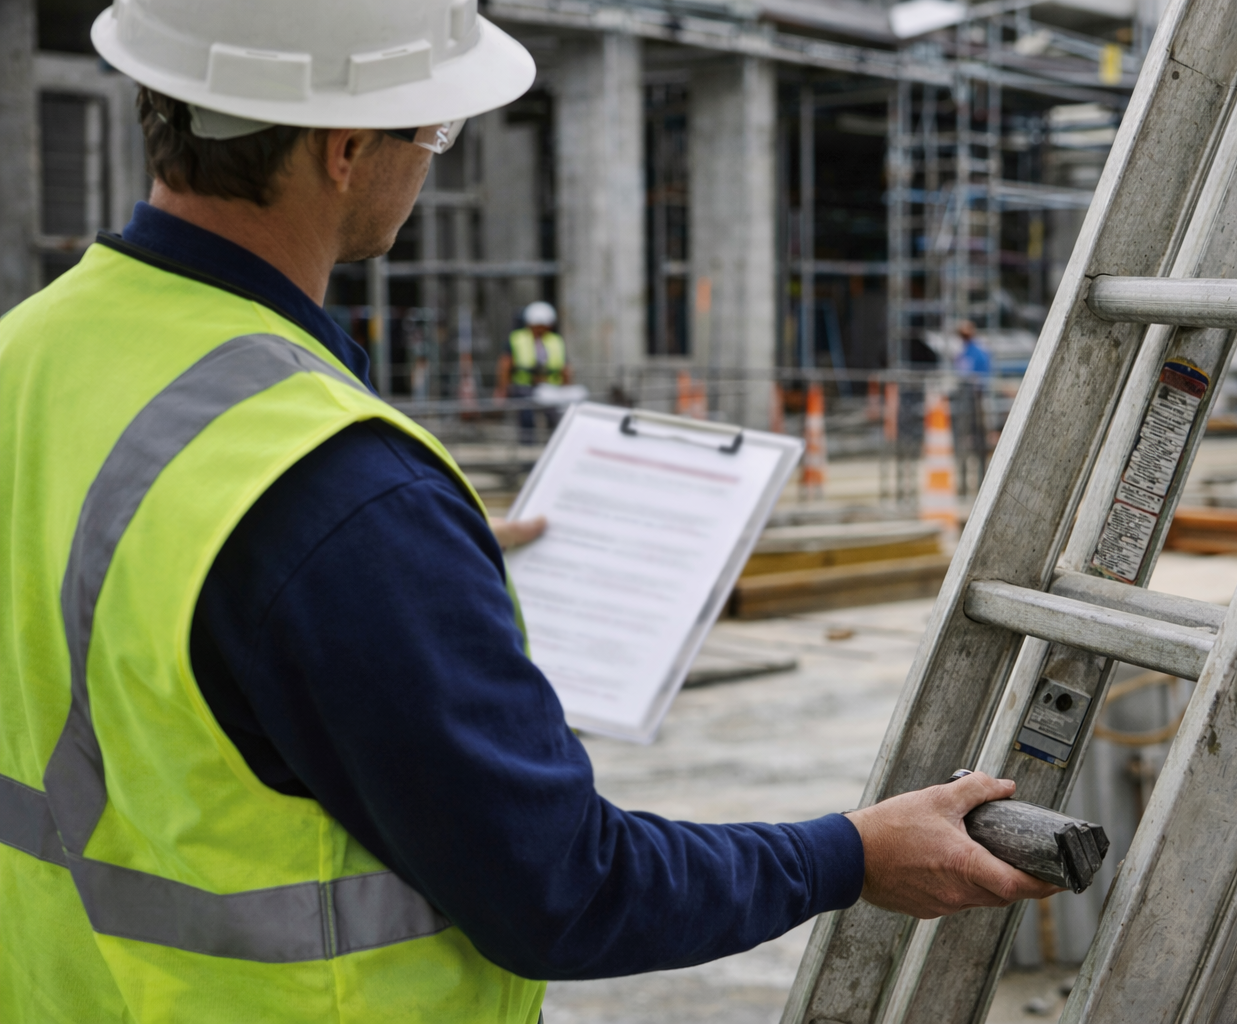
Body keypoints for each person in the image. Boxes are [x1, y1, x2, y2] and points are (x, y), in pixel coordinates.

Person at [0, 3, 1057, 1022]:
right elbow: (561, 888)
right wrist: (850, 853)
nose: (432, 159)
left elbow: (123, 613)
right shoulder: (336, 495)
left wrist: (398, 570)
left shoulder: (30, 351)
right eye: (436, 127)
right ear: (345, 146)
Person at [496, 301, 568, 440]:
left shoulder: (556, 341)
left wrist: (565, 389)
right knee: (526, 419)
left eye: (543, 327)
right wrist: (502, 390)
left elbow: (565, 368)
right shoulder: (517, 339)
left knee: (556, 419)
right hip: (523, 387)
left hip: (551, 387)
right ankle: (527, 450)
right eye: (536, 327)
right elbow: (505, 364)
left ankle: (555, 445)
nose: (540, 330)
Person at [952, 320, 994, 494]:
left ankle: (981, 483)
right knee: (963, 444)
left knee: (980, 444)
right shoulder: (962, 354)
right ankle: (963, 485)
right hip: (964, 403)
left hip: (977, 401)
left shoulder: (977, 353)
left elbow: (982, 378)